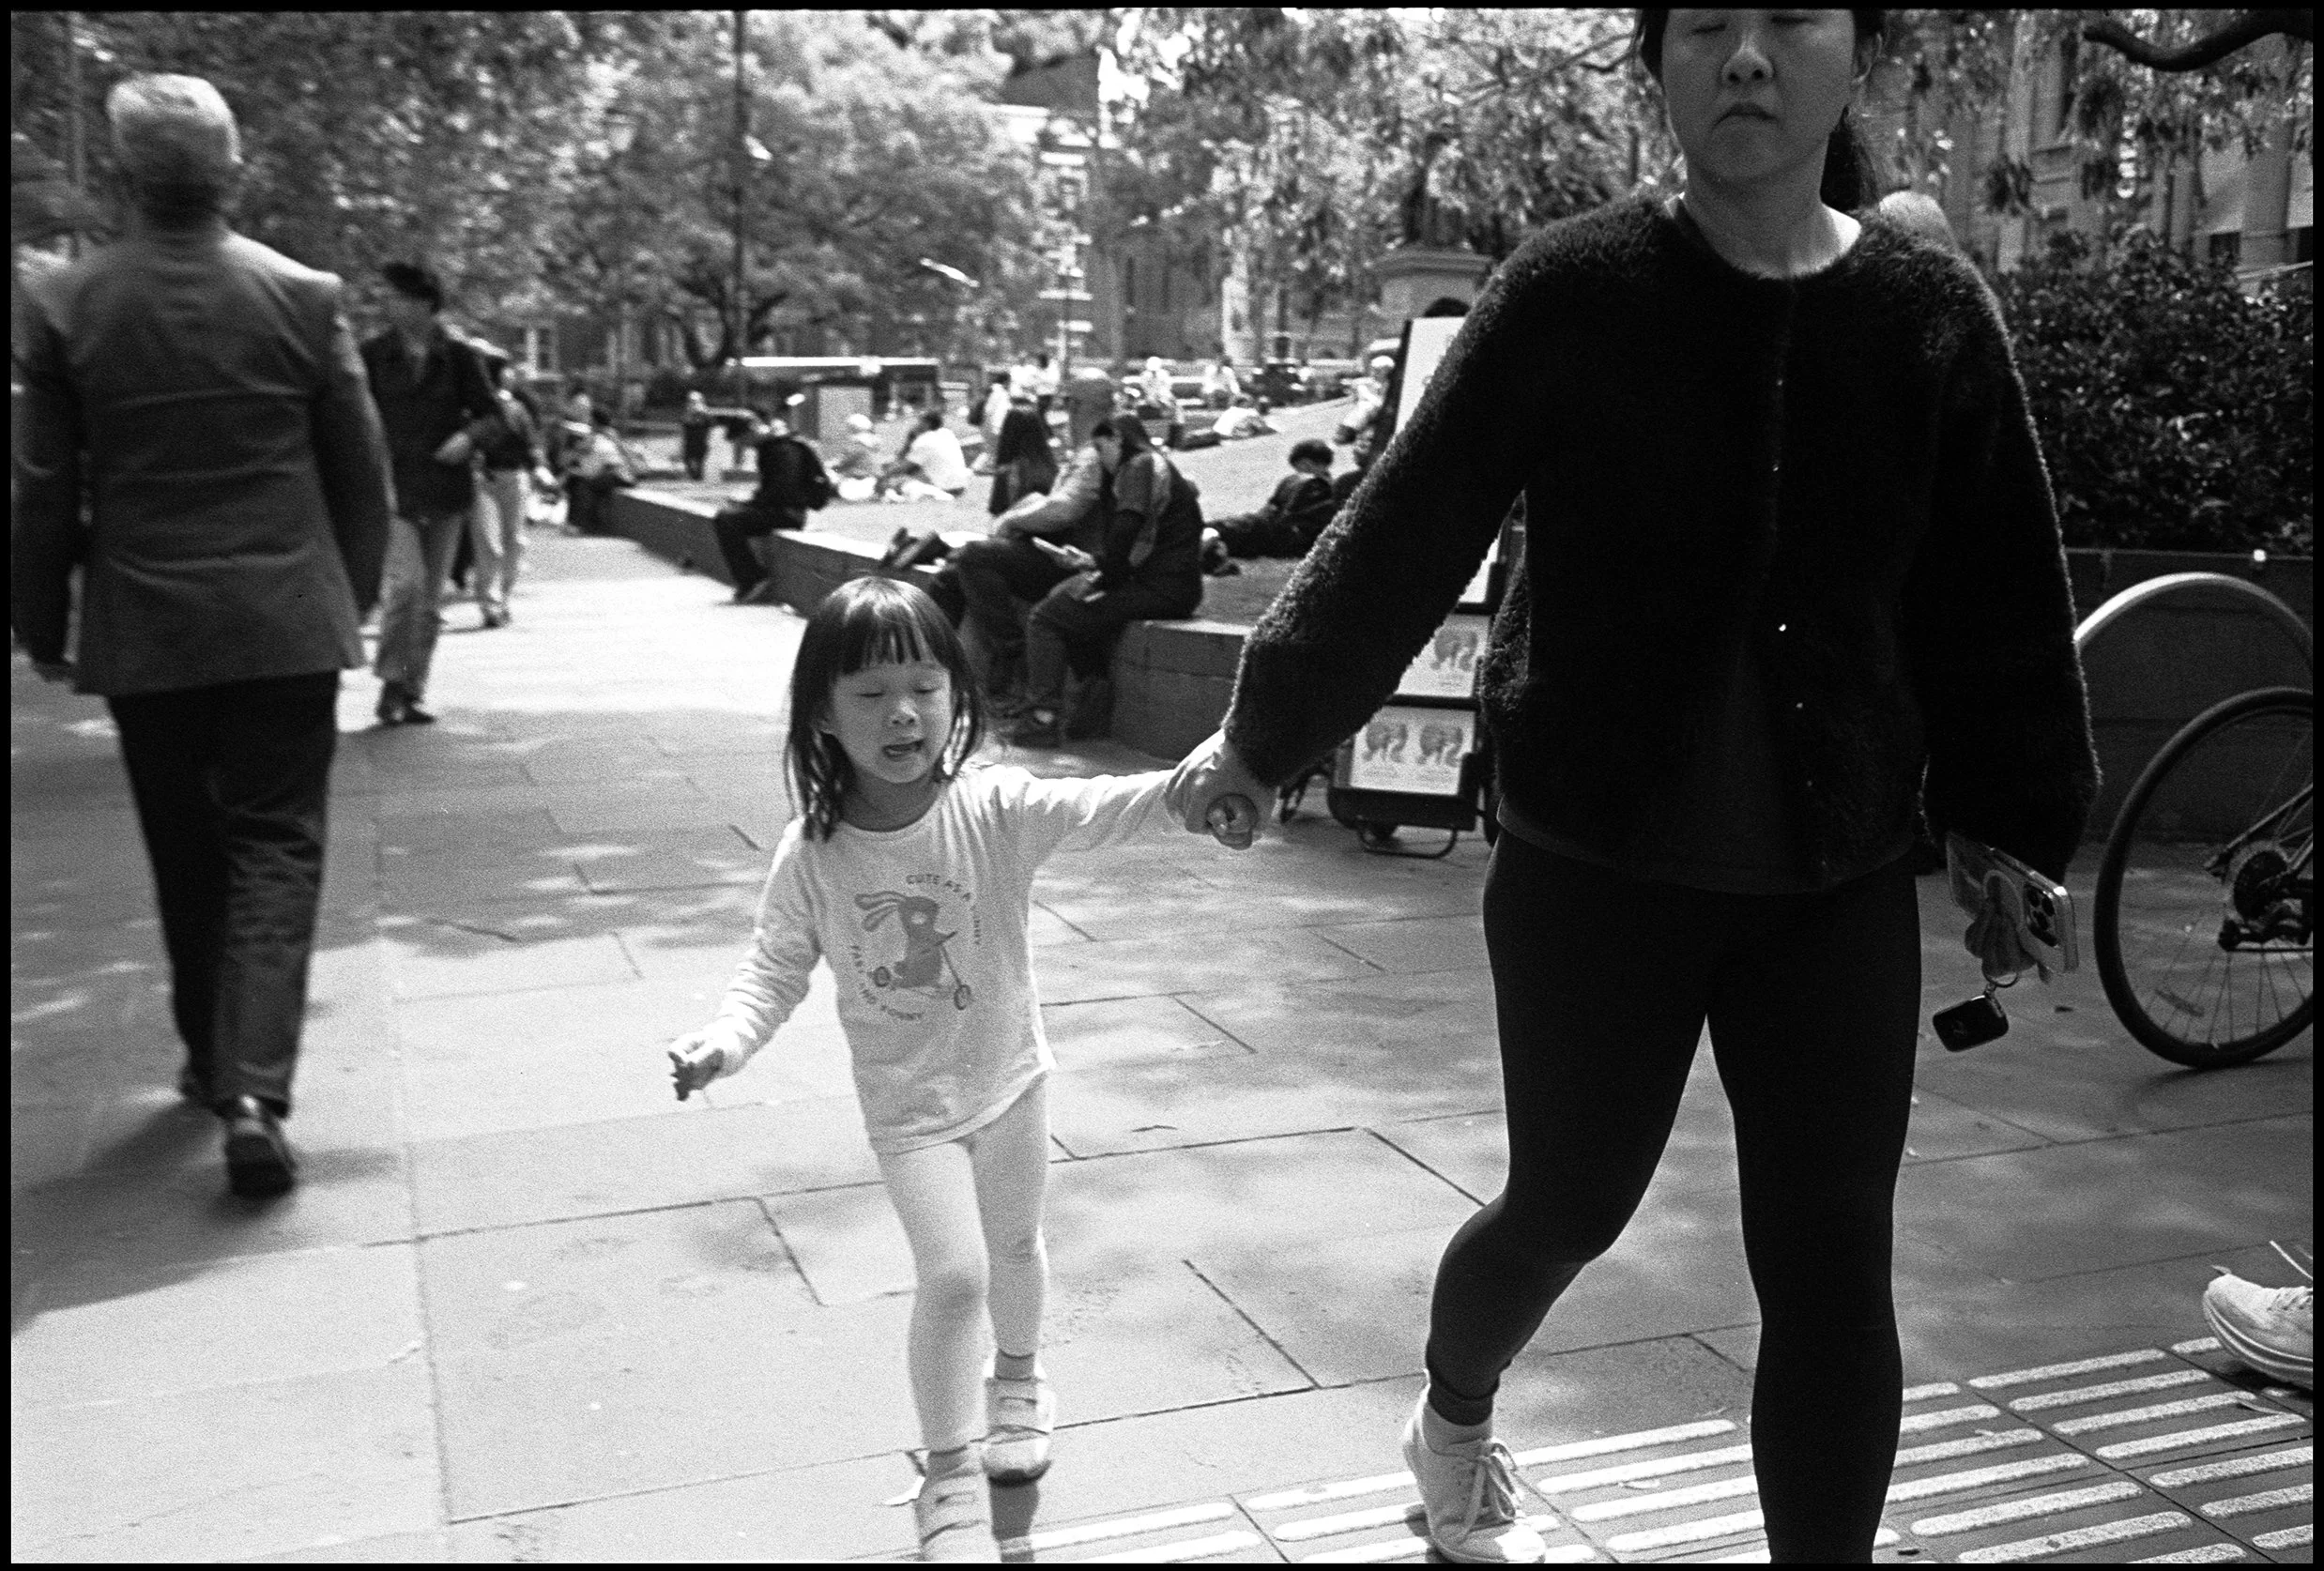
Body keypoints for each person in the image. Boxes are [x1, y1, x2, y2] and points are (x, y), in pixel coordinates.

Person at [1172, 8, 2099, 1563]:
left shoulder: (1928, 311)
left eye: (1788, 22)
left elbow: (1992, 590)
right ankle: (1454, 1407)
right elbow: (1414, 519)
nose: (1747, 57)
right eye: (1706, 28)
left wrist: (2011, 825)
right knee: (1569, 1202)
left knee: (1826, 1261)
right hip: (1594, 863)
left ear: (1852, 56)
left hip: (1836, 874)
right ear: (1658, 63)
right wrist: (1269, 732)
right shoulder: (1574, 290)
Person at [665, 577, 1184, 1562]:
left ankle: (1019, 1384)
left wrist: (1195, 786)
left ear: (956, 694)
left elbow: (1100, 806)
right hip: (908, 1108)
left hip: (1009, 1077)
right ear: (821, 712)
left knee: (1018, 1249)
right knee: (954, 1275)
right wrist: (724, 1043)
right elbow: (772, 969)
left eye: (924, 686)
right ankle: (947, 1480)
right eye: (869, 693)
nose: (903, 712)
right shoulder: (814, 852)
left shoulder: (991, 808)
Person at [11, 74, 393, 1197]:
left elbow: (40, 491)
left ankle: (210, 1058)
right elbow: (358, 473)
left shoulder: (68, 305)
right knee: (276, 847)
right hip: (283, 623)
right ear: (234, 174)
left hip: (148, 628)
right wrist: (354, 599)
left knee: (186, 852)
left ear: (123, 179)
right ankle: (252, 1088)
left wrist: (38, 622)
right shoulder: (303, 295)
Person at [361, 258, 504, 725]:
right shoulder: (372, 355)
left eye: (402, 298)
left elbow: (493, 417)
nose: (393, 306)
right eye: (389, 298)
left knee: (430, 597)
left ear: (427, 303)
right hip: (394, 487)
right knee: (406, 585)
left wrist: (470, 438)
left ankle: (412, 688)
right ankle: (390, 683)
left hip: (445, 487)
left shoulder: (461, 357)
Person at [1009, 415, 1205, 750]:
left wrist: (1105, 577)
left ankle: (1042, 716)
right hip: (1167, 582)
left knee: (1047, 616)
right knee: (1065, 599)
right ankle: (1092, 701)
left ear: (1117, 438)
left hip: (1161, 588)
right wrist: (1092, 564)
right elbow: (1143, 542)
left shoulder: (1139, 465)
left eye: (1101, 448)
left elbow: (1128, 529)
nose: (1101, 459)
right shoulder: (1157, 465)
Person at [925, 373, 1116, 711]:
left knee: (974, 557)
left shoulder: (1095, 452)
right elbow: (1053, 500)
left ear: (1078, 407)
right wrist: (1018, 515)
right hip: (1061, 555)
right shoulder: (1092, 450)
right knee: (955, 571)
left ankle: (1010, 653)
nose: (1064, 415)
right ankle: (928, 663)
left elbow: (1065, 508)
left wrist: (1012, 520)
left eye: (1067, 405)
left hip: (1077, 563)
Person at [714, 407, 833, 602]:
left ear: (752, 430)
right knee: (729, 515)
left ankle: (754, 579)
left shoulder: (783, 448)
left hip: (789, 513)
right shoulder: (771, 446)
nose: (745, 445)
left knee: (726, 519)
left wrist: (753, 502)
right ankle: (750, 578)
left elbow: (785, 489)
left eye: (743, 439)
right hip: (780, 509)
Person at [467, 348, 538, 628]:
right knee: (489, 543)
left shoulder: (518, 408)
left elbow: (531, 443)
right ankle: (490, 605)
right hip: (483, 479)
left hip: (514, 477)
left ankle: (503, 599)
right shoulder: (473, 409)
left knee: (516, 542)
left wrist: (539, 468)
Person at [1207, 438, 1337, 561]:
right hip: (1272, 531)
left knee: (1223, 530)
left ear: (1306, 464)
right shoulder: (1327, 487)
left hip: (1277, 536)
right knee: (1226, 529)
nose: (1298, 471)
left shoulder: (1314, 485)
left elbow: (1286, 518)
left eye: (1299, 467)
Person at [563, 406, 636, 537]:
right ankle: (582, 523)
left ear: (595, 421)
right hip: (613, 471)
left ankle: (583, 525)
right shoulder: (605, 433)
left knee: (585, 486)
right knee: (582, 482)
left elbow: (601, 459)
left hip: (618, 474)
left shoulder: (604, 435)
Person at [879, 408, 972, 502]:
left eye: (919, 421)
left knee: (896, 481)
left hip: (945, 488)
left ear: (927, 423)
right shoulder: (947, 433)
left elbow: (904, 468)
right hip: (961, 487)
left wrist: (882, 474)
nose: (916, 424)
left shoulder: (924, 440)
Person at [986, 403, 1058, 517]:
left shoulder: (1008, 470)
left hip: (1017, 527)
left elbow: (997, 512)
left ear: (1008, 432)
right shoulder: (1050, 465)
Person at [831, 410, 884, 501]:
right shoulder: (872, 442)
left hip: (857, 481)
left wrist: (828, 465)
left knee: (827, 474)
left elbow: (841, 463)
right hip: (874, 480)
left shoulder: (857, 445)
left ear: (852, 428)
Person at [978, 374, 1014, 473]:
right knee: (997, 448)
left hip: (984, 424)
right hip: (995, 425)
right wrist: (998, 427)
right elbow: (1001, 411)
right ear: (1006, 381)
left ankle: (983, 466)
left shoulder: (990, 390)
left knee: (989, 449)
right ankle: (986, 467)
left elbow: (987, 409)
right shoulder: (1002, 393)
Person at [680, 389, 715, 481]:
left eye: (694, 401)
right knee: (687, 459)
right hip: (689, 442)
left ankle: (698, 479)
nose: (692, 403)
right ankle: (694, 477)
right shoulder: (687, 413)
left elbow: (710, 424)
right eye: (690, 401)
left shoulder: (705, 413)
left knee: (699, 462)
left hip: (701, 442)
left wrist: (700, 415)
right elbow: (684, 424)